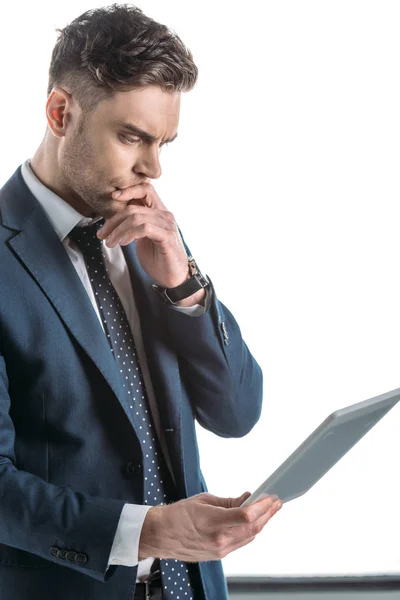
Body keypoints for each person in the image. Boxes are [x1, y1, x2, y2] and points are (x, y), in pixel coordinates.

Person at [0, 4, 282, 599]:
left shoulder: (148, 236)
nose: (152, 167)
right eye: (132, 137)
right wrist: (148, 532)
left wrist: (183, 285)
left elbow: (237, 413)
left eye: (163, 142)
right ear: (60, 112)